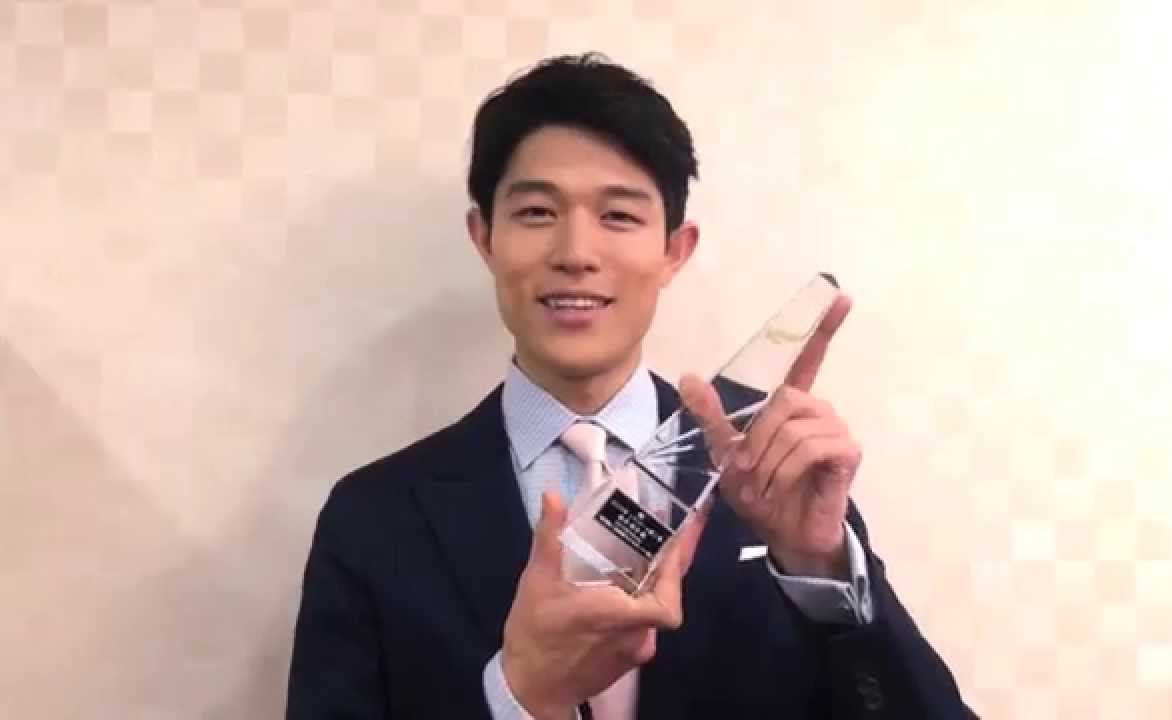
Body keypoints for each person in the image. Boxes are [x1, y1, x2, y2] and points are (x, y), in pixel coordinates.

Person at [285, 53, 976, 719]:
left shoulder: (769, 475)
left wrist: (822, 568)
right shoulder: (374, 520)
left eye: (618, 215)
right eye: (536, 213)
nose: (575, 253)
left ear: (675, 250)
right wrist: (522, 699)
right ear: (484, 238)